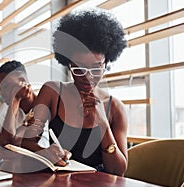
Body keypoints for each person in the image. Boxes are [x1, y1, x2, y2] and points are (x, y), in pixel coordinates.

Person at [22, 8, 128, 176]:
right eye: (78, 69)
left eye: (96, 69)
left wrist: (102, 124)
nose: (87, 77)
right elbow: (26, 141)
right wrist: (45, 152)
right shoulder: (52, 93)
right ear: (68, 63)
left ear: (106, 63)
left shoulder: (115, 108)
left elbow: (118, 171)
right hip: (58, 184)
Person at [0, 60, 49, 147]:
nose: (2, 93)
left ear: (23, 81)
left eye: (5, 86)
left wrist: (15, 98)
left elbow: (14, 143)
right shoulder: (7, 106)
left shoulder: (44, 105)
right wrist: (7, 141)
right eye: (0, 88)